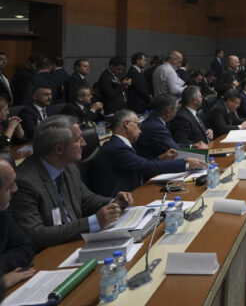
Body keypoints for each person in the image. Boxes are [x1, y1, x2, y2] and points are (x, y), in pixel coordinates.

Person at [11, 116, 133, 250]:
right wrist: (93, 222)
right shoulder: (24, 182)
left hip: (77, 243)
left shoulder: (69, 167)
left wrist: (113, 203)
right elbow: (36, 235)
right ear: (59, 149)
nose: (84, 143)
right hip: (52, 253)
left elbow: (86, 200)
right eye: (78, 139)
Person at [93, 109, 206, 197]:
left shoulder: (120, 144)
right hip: (119, 202)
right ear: (126, 124)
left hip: (135, 192)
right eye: (138, 125)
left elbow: (141, 166)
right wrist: (186, 163)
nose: (140, 130)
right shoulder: (116, 148)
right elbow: (147, 167)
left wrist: (161, 158)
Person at [135, 95, 208, 160]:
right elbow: (176, 151)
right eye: (176, 108)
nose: (177, 111)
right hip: (153, 166)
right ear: (168, 112)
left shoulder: (155, 119)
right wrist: (201, 156)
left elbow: (172, 144)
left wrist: (192, 146)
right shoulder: (156, 128)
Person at [0, 160, 36, 290]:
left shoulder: (3, 210)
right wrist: (2, 281)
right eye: (9, 186)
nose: (16, 189)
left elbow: (25, 246)